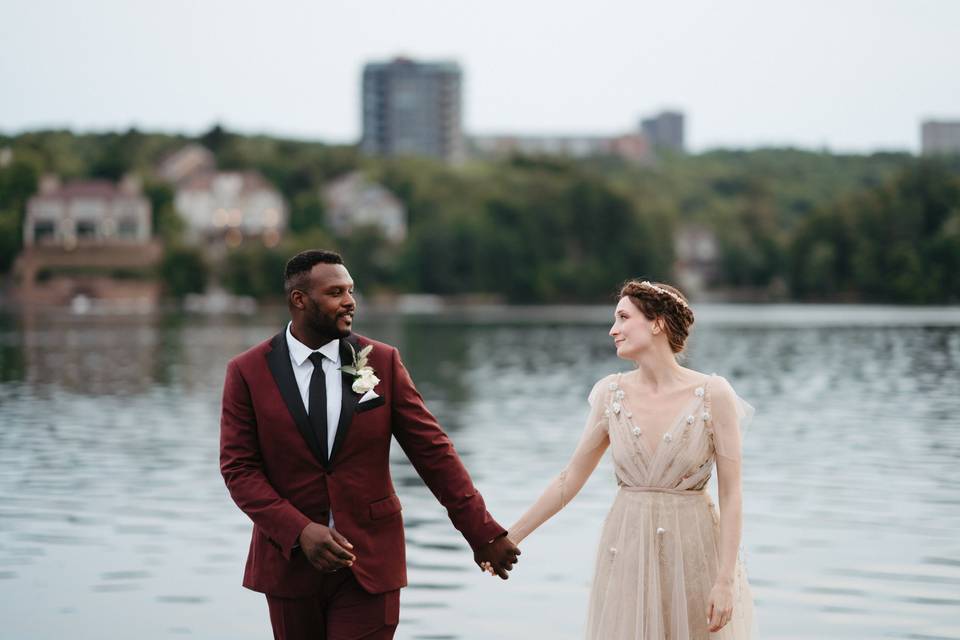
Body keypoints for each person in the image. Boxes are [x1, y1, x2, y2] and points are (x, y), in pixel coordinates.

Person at [219, 249, 519, 640]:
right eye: (335, 292)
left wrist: (482, 532)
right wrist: (299, 531)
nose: (350, 301)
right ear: (299, 300)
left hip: (371, 561)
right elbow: (239, 470)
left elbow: (434, 453)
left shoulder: (382, 362)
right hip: (289, 565)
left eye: (351, 290)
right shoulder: (247, 371)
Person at [494, 280, 755, 638]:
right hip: (627, 551)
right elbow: (568, 481)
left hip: (695, 552)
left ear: (657, 323)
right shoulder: (610, 394)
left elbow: (732, 494)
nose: (613, 330)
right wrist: (509, 537)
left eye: (622, 317)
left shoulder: (714, 394)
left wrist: (725, 580)